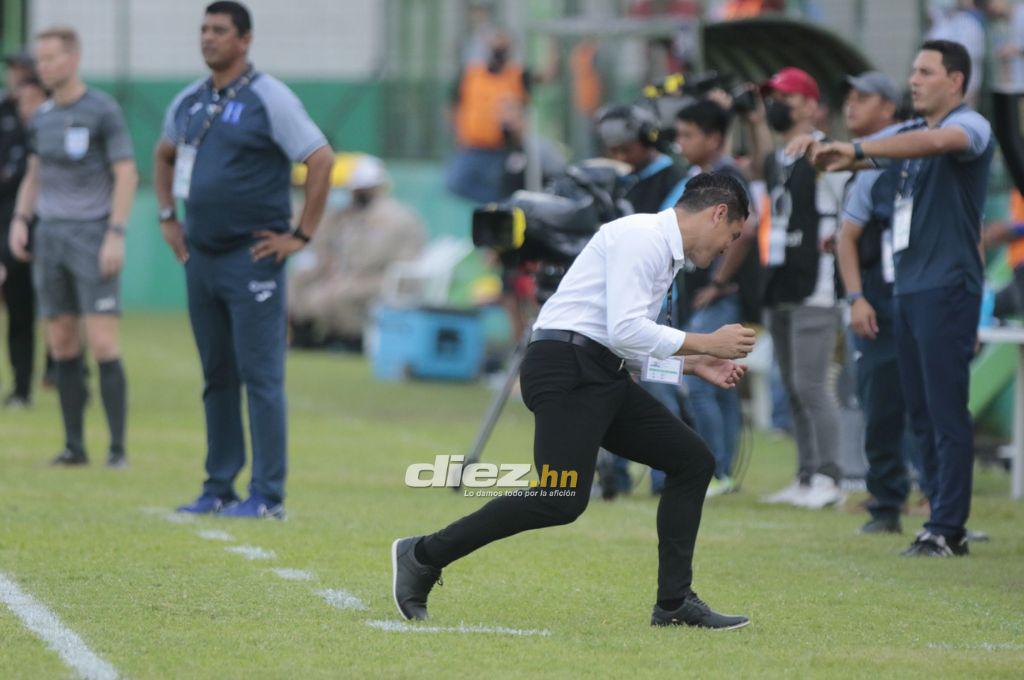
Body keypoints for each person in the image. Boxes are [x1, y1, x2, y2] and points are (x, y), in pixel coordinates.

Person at [392, 172, 756, 630]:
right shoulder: (642, 237)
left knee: (691, 462)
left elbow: (621, 341)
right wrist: (708, 343)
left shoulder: (660, 251)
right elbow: (623, 331)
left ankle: (674, 603)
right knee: (560, 497)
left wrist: (692, 364)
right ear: (718, 213)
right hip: (567, 368)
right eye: (733, 235)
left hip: (597, 371)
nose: (729, 248)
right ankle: (422, 554)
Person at [812, 40, 995, 556]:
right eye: (912, 70)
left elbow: (937, 143)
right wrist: (828, 143)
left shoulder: (971, 126)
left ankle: (948, 525)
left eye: (925, 71)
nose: (913, 80)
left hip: (948, 287)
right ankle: (937, 517)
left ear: (955, 81)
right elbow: (893, 139)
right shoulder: (909, 135)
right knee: (919, 413)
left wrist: (858, 150)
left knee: (944, 411)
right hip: (908, 290)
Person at [154, 1, 333, 518]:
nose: (208, 38)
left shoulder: (268, 97)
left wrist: (300, 235)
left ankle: (267, 496)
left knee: (261, 377)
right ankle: (218, 486)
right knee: (217, 376)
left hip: (251, 257)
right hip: (201, 257)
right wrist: (167, 215)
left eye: (220, 30)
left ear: (245, 40)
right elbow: (165, 154)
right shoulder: (189, 100)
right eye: (204, 29)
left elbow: (319, 159)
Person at [8, 27, 137, 467]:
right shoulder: (41, 117)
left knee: (101, 342)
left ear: (73, 59)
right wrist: (21, 221)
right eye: (40, 61)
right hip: (50, 238)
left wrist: (115, 233)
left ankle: (117, 449)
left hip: (92, 236)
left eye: (51, 59)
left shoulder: (102, 110)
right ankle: (74, 446)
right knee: (62, 342)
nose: (44, 67)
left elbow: (125, 173)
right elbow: (35, 173)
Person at [743, 67, 847, 509]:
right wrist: (750, 123)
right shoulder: (779, 158)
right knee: (791, 386)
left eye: (784, 96)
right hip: (781, 281)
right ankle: (806, 475)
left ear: (809, 102)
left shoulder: (829, 155)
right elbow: (763, 163)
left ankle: (830, 477)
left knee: (811, 384)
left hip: (816, 283)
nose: (775, 105)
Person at [593, 103, 689, 497]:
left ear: (648, 139)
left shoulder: (676, 178)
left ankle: (668, 475)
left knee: (660, 386)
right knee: (617, 387)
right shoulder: (623, 179)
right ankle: (614, 474)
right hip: (627, 300)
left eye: (626, 149)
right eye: (612, 150)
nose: (619, 157)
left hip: (661, 303)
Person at [830, 71, 911, 533]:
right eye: (849, 97)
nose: (851, 106)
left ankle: (941, 505)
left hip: (925, 293)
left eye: (863, 98)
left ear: (889, 106)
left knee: (933, 403)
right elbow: (849, 236)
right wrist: (858, 296)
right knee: (880, 401)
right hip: (879, 299)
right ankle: (886, 503)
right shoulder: (864, 160)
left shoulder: (921, 148)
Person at [675, 99, 761, 497]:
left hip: (719, 297)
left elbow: (751, 224)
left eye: (688, 134)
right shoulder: (705, 175)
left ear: (713, 137)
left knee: (702, 380)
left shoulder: (727, 177)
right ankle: (722, 471)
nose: (680, 143)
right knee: (720, 379)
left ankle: (714, 471)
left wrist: (719, 281)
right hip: (707, 295)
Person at [288, 154, 426, 348]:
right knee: (301, 288)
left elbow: (374, 259)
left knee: (339, 293)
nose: (354, 194)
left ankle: (351, 342)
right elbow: (330, 246)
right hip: (353, 276)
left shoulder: (396, 217)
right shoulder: (351, 215)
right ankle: (309, 340)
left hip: (386, 279)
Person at [446, 31, 531, 203]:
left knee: (502, 187)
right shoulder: (471, 74)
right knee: (455, 183)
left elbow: (524, 111)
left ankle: (501, 208)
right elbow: (452, 105)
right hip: (471, 146)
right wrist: (457, 133)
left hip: (500, 149)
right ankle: (498, 206)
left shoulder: (517, 75)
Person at [0, 53, 38, 409]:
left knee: (64, 310)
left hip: (52, 227)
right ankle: (22, 388)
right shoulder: (4, 115)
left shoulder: (54, 117)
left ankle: (66, 375)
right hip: (11, 228)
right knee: (19, 309)